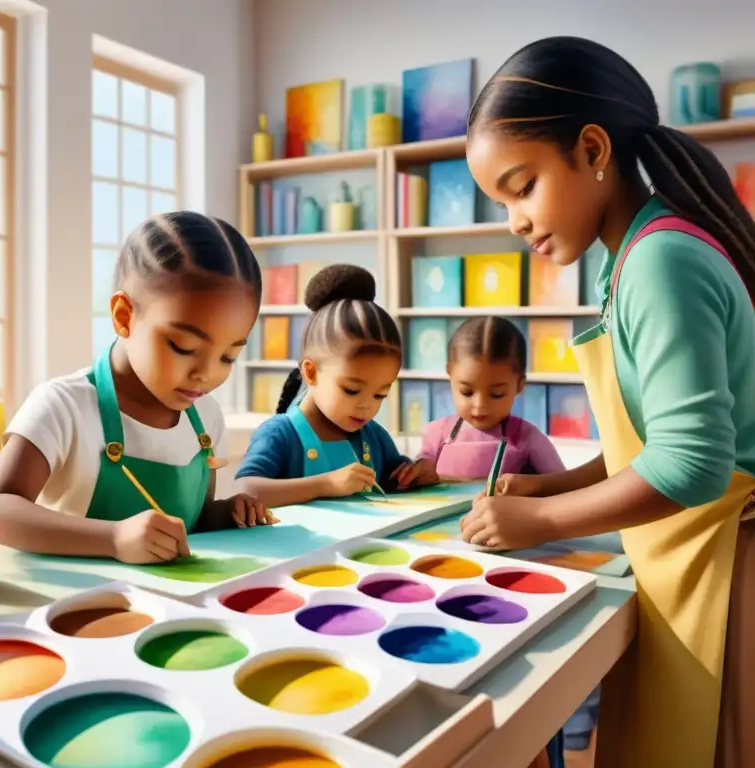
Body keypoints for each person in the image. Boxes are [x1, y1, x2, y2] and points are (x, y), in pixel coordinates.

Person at [460, 36, 755, 768]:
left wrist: (541, 518)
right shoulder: (635, 258)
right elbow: (645, 443)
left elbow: (691, 465)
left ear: (592, 149)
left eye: (521, 187)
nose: (515, 223)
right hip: (689, 562)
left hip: (725, 578)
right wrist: (551, 484)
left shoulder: (661, 261)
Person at [0, 211, 275, 565]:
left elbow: (190, 523)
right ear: (124, 316)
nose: (205, 374)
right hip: (77, 605)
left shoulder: (204, 417)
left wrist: (225, 514)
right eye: (184, 347)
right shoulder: (63, 405)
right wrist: (114, 538)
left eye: (228, 356)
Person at [235, 264, 424, 506]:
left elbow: (397, 477)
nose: (367, 406)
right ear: (311, 373)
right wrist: (327, 484)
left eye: (380, 395)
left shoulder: (374, 436)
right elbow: (247, 490)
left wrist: (416, 474)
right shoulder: (280, 434)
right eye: (352, 390)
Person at [412, 316, 565, 481]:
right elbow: (418, 477)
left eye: (496, 394)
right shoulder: (436, 434)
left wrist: (530, 487)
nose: (480, 405)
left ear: (519, 385)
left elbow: (562, 485)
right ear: (450, 374)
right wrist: (419, 472)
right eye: (466, 391)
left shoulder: (528, 438)